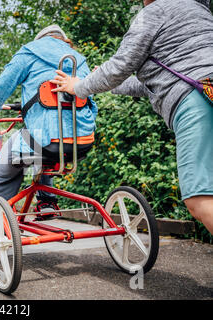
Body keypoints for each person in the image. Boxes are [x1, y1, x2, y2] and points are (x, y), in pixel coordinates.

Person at [51, 0, 213, 233]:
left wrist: (78, 86)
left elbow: (119, 67)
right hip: (205, 91)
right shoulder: (198, 10)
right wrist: (103, 83)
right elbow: (154, 83)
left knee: (200, 199)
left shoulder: (155, 11)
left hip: (195, 100)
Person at [0, 25, 98, 220]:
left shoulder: (29, 52)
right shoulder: (78, 60)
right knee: (42, 144)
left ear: (40, 40)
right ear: (64, 41)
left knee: (1, 174)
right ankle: (47, 202)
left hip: (45, 141)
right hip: (83, 140)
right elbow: (91, 100)